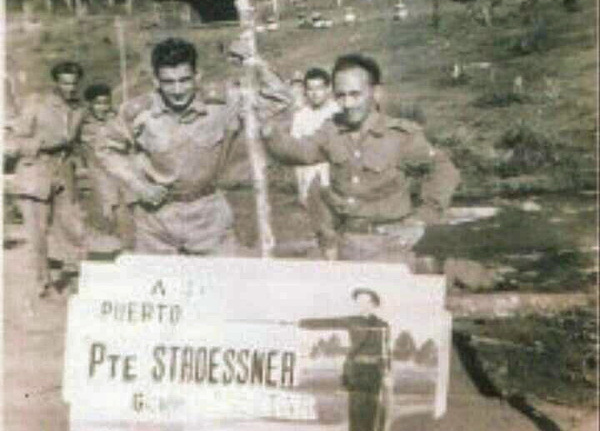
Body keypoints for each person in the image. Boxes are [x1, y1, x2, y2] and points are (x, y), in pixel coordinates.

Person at [97, 37, 290, 255]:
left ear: (198, 77)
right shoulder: (139, 112)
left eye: (185, 80)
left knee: (219, 285)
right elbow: (106, 148)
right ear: (156, 81)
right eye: (169, 82)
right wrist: (139, 186)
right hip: (156, 219)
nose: (178, 90)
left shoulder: (221, 103)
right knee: (159, 286)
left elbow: (279, 99)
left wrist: (255, 62)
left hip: (208, 216)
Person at [263, 53, 460, 265]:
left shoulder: (400, 135)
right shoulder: (332, 130)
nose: (347, 104)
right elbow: (300, 152)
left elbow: (443, 169)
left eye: (355, 95)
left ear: (375, 93)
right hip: (348, 244)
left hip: (391, 245)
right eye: (341, 96)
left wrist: (423, 217)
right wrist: (268, 131)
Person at [11, 61, 87, 312]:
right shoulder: (36, 103)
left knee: (72, 226)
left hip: (64, 172)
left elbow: (78, 141)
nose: (70, 88)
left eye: (74, 83)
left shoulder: (79, 109)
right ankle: (41, 285)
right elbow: (14, 139)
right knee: (38, 234)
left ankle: (75, 277)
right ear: (56, 82)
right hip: (36, 173)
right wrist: (43, 143)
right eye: (65, 82)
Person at [299, 288, 392, 431]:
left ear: (373, 304)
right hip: (356, 369)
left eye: (365, 301)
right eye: (359, 301)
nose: (361, 304)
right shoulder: (351, 321)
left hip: (374, 370)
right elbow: (327, 322)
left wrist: (387, 373)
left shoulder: (383, 325)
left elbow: (387, 351)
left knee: (372, 406)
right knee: (356, 406)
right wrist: (302, 323)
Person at [80, 83, 133, 241]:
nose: (102, 107)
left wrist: (116, 143)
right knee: (108, 218)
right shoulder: (83, 125)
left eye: (106, 103)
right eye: (98, 103)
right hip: (100, 177)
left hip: (123, 176)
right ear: (90, 104)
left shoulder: (118, 120)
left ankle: (127, 251)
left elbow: (130, 143)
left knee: (127, 218)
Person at [291, 67, 340, 205]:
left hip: (335, 175)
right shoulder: (300, 116)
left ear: (328, 89)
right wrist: (301, 190)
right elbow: (297, 156)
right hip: (310, 174)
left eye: (319, 88)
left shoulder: (337, 112)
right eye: (310, 89)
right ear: (305, 91)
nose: (314, 93)